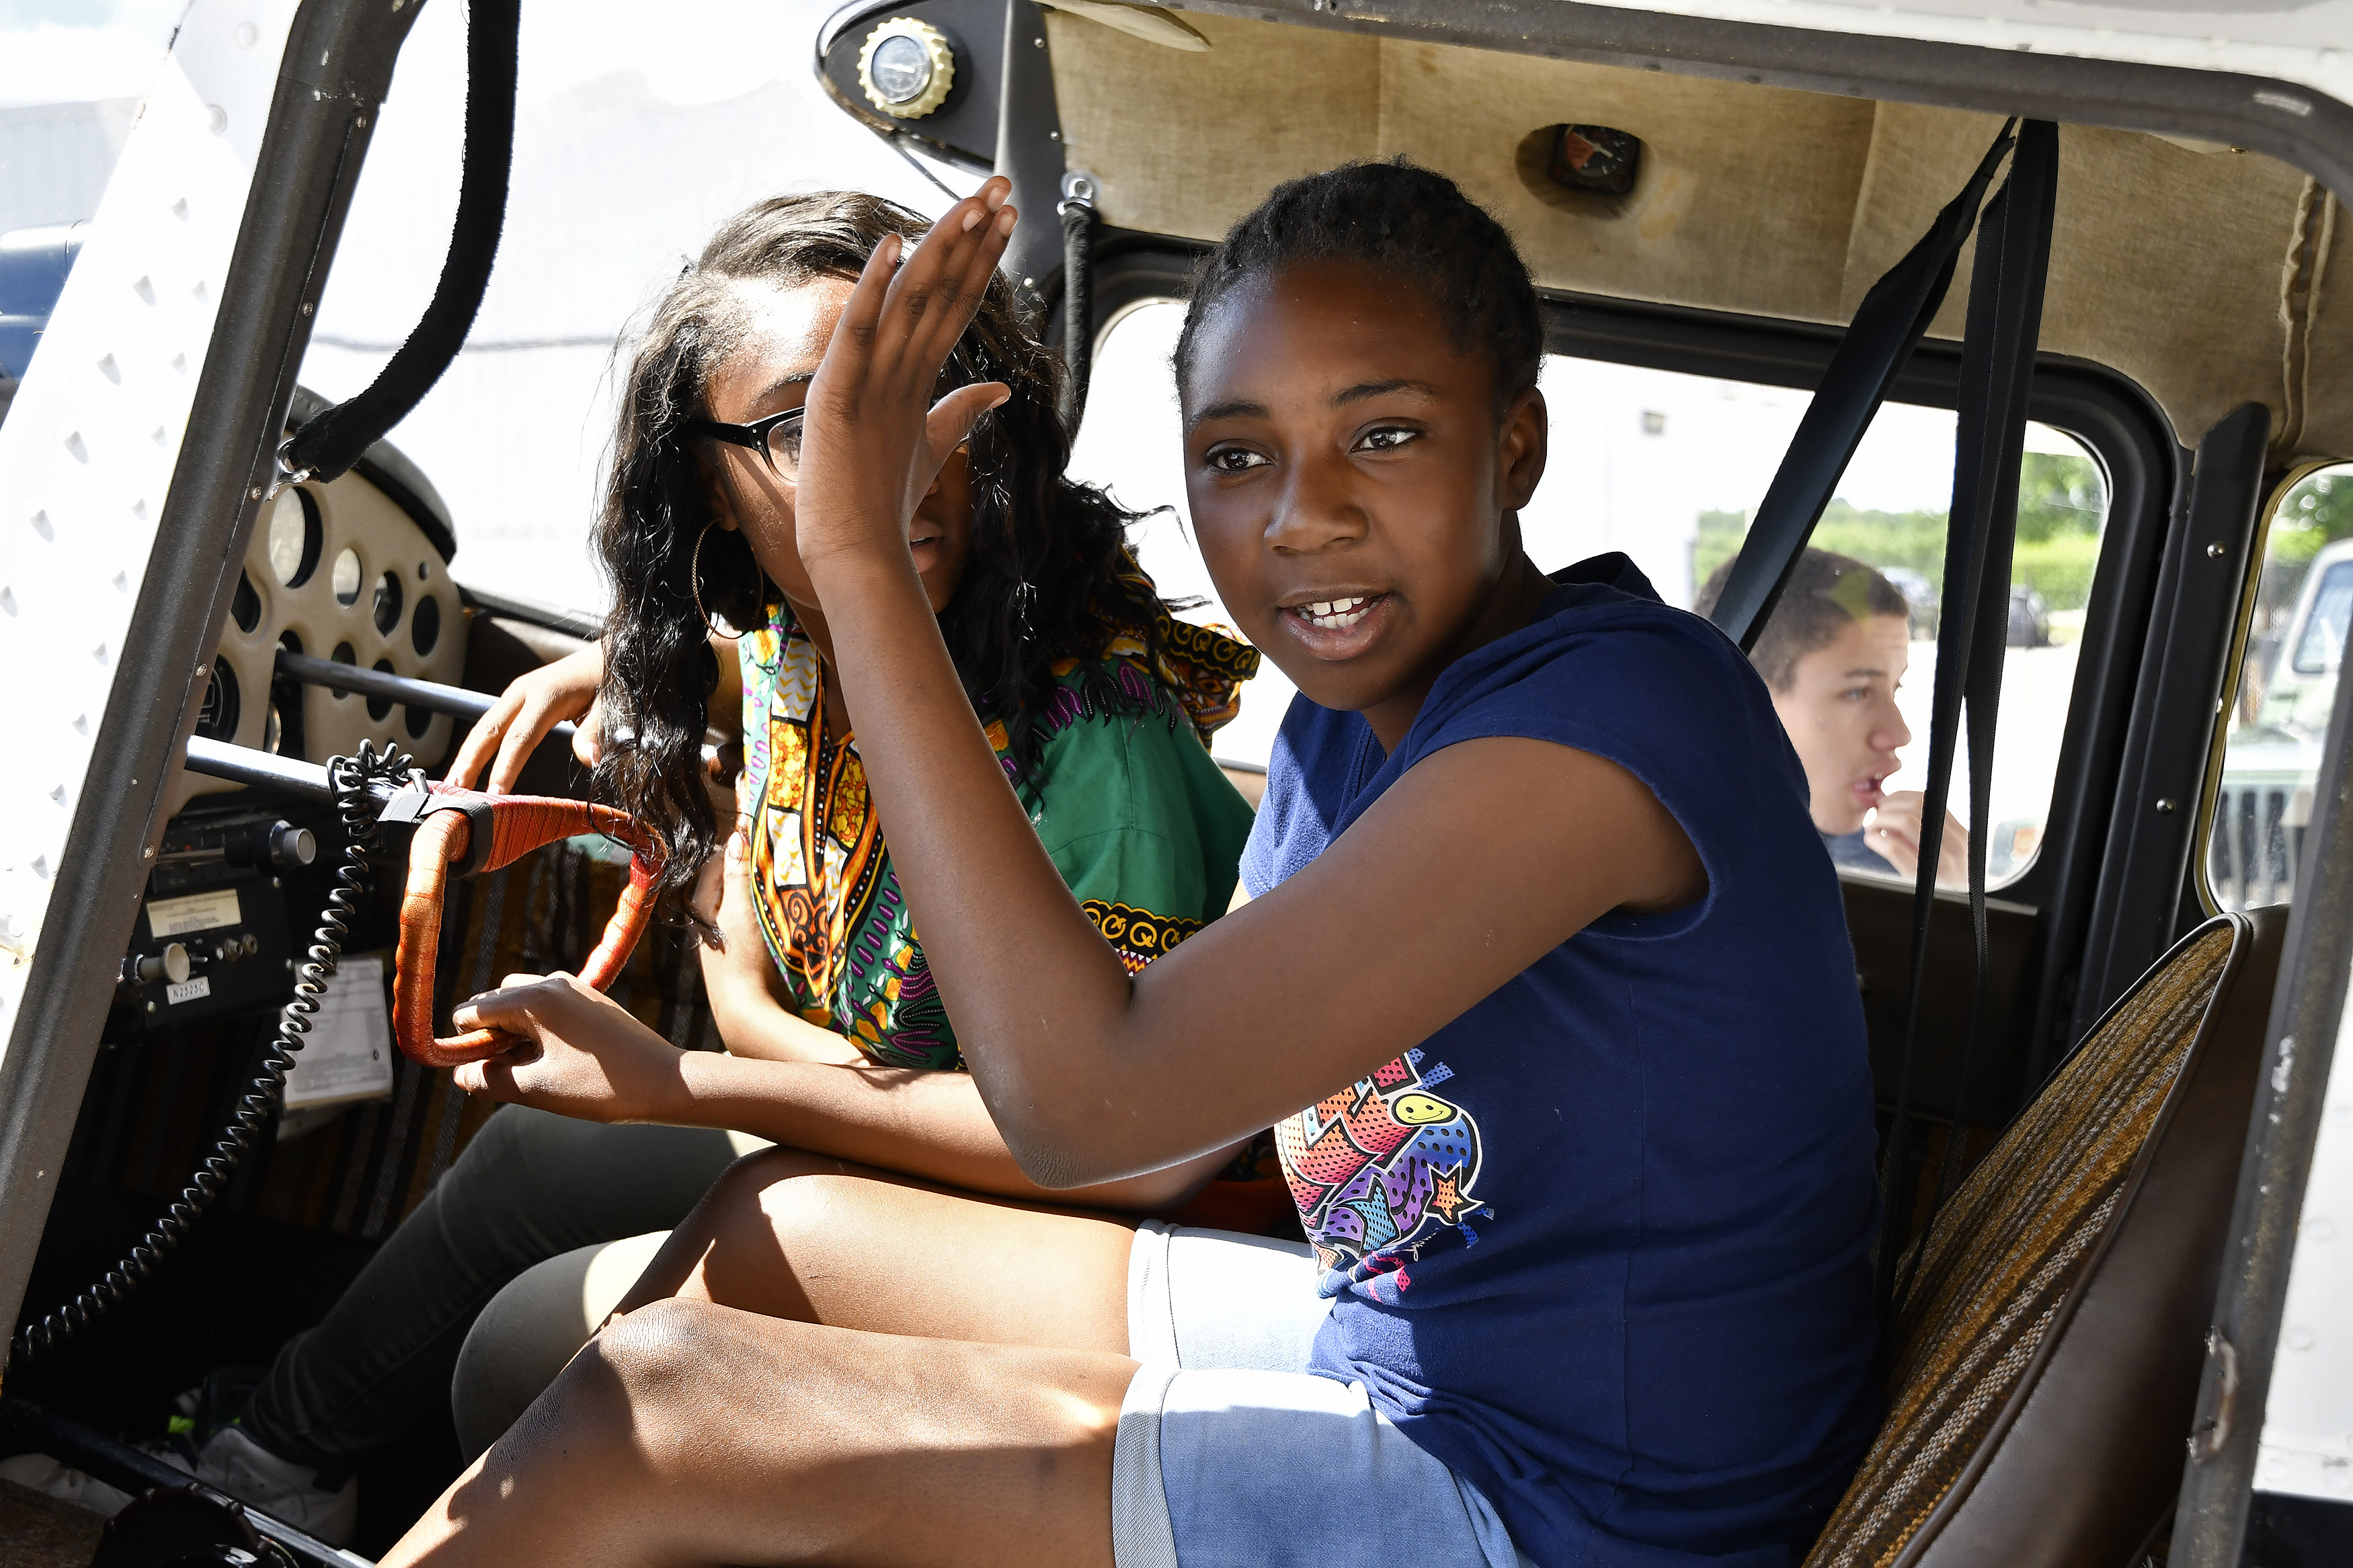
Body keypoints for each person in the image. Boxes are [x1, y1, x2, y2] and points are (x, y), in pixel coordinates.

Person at [384, 161, 1881, 1568]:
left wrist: (851, 547)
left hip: (1563, 1507)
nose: (1304, 514)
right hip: (1402, 1338)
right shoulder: (1353, 725)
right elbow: (1166, 1140)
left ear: (1516, 446)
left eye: (1383, 433)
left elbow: (1092, 1109)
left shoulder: (1605, 721)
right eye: (1239, 455)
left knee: (662, 1396)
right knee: (779, 1233)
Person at [9, 191, 1265, 1545]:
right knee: (528, 1164)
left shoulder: (1101, 758)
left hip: (1028, 1207)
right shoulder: (814, 641)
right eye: (808, 427)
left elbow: (1114, 1154)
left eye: (924, 400)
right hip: (883, 1138)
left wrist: (693, 1058)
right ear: (710, 495)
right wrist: (643, 664)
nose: (889, 465)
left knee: (513, 1349)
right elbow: (783, 676)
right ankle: (274, 1460)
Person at [1696, 549, 1970, 886]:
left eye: (1894, 689)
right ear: (1741, 700)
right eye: (1857, 692)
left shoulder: (1883, 868)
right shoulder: (1668, 882)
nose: (1899, 734)